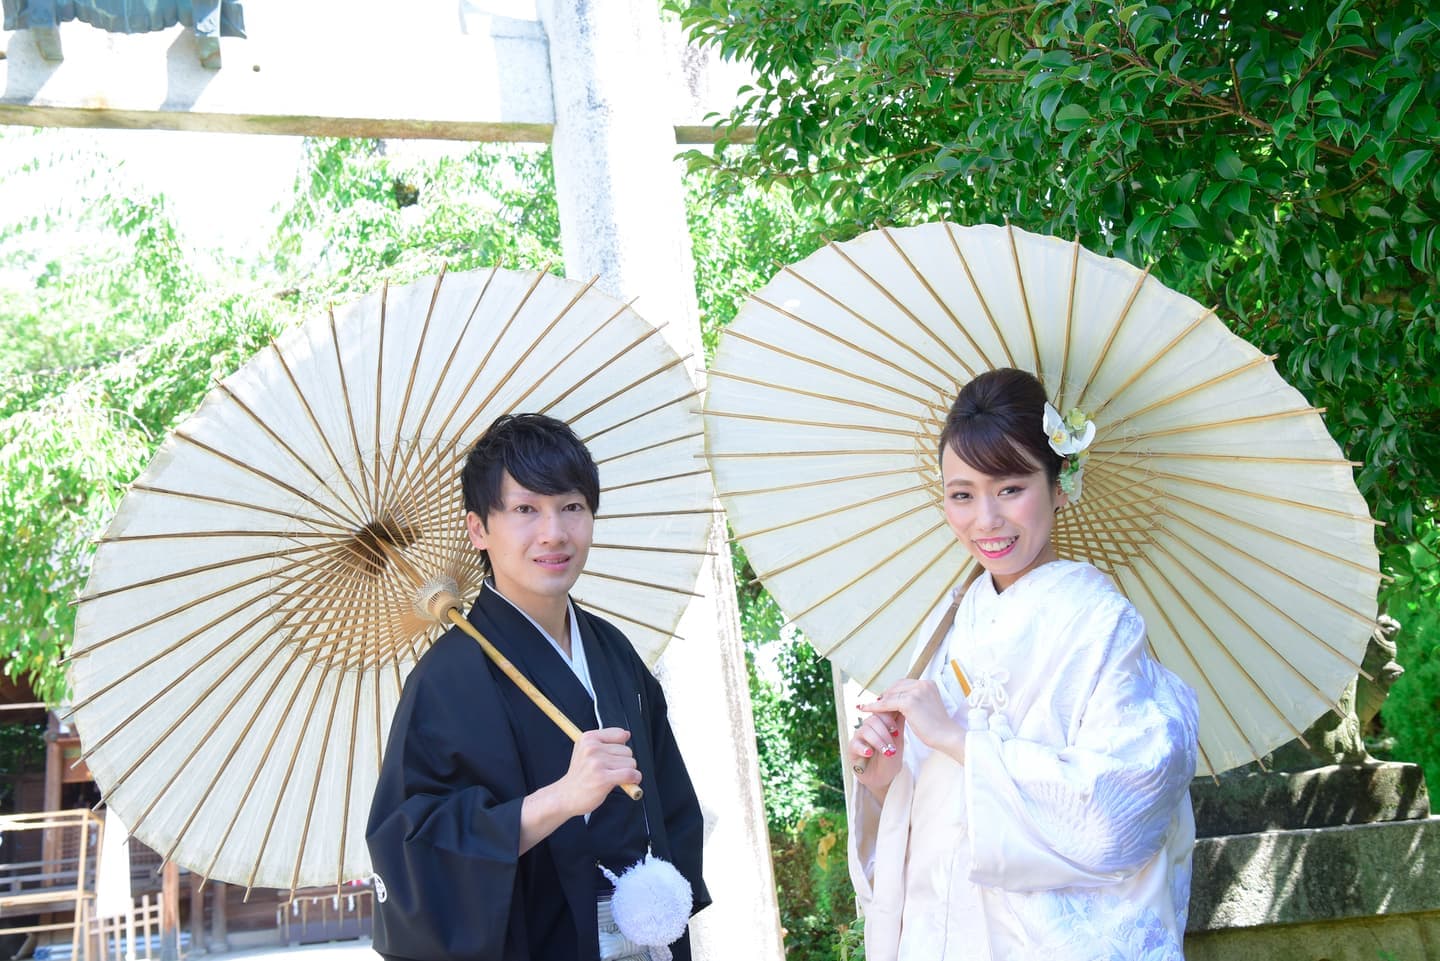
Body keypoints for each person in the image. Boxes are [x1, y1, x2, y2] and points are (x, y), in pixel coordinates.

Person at [847, 368, 1199, 961]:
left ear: (1060, 484)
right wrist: (885, 778)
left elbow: (1120, 805)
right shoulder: (946, 623)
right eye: (962, 495)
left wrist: (958, 741)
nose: (985, 520)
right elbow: (927, 813)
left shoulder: (1100, 623)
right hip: (939, 930)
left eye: (1010, 488)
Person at [367, 413, 710, 961]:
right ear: (478, 529)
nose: (554, 533)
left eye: (572, 506)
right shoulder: (445, 681)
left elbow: (673, 808)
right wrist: (558, 800)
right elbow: (414, 853)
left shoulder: (614, 651)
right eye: (526, 509)